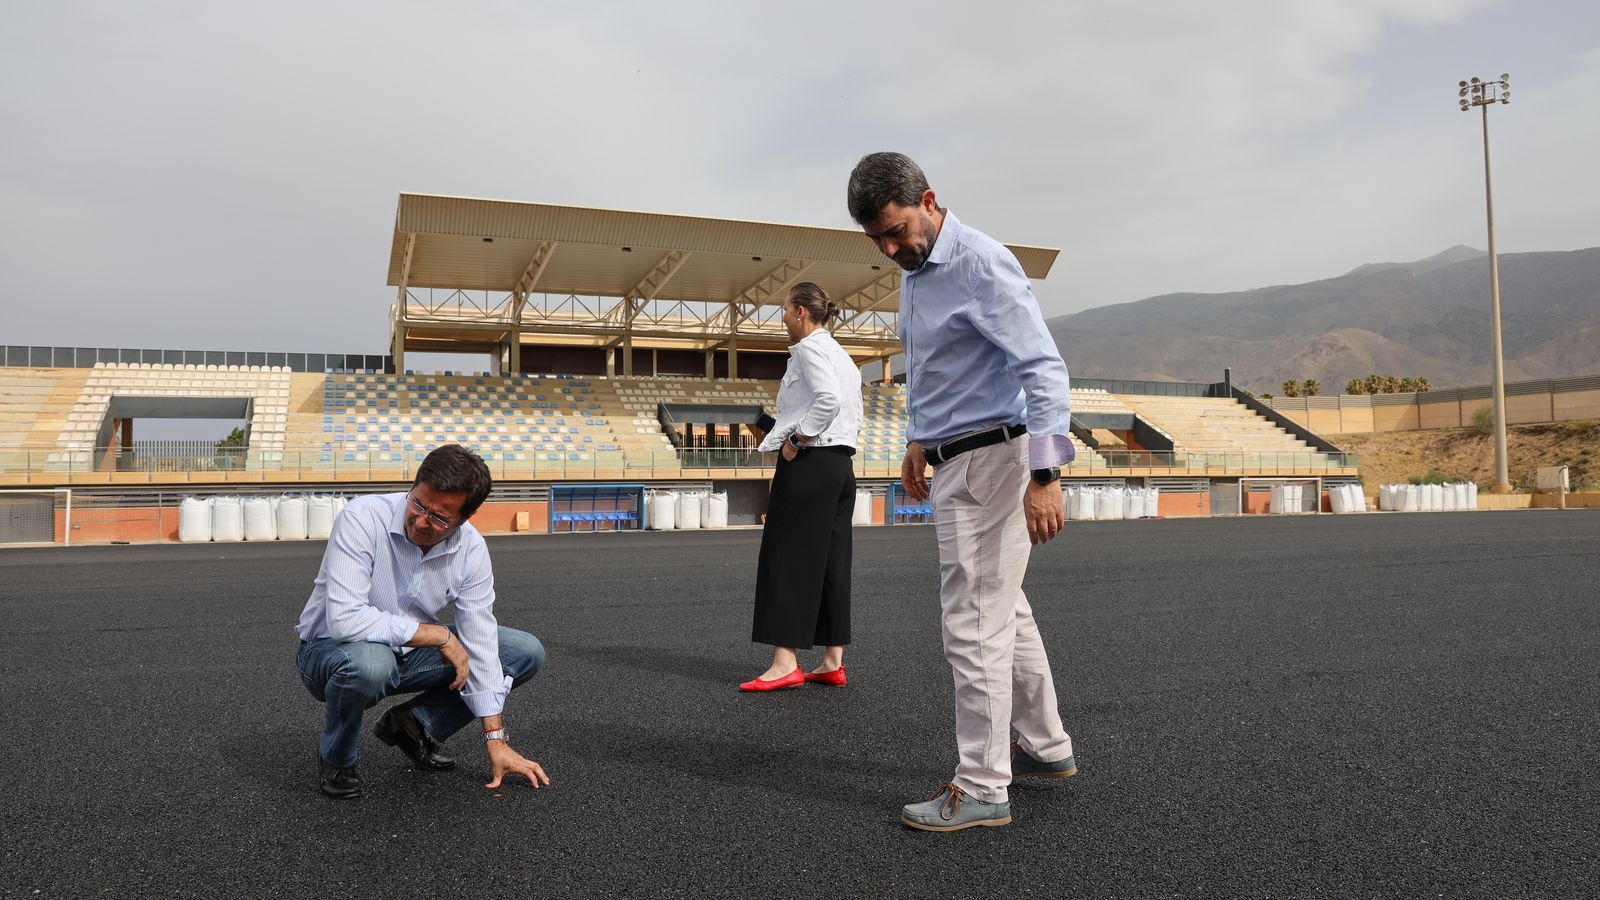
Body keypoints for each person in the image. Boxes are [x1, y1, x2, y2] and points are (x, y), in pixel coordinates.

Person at [847, 152, 1078, 831]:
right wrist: (920, 438)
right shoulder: (919, 274)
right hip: (958, 454)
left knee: (972, 624)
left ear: (928, 199)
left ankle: (981, 787)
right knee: (1005, 610)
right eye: (877, 241)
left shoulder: (978, 262)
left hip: (991, 463)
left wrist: (1046, 475)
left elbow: (1042, 369)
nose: (891, 249)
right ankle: (1044, 745)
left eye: (896, 231)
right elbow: (945, 369)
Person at [294, 443, 550, 798]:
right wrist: (440, 637)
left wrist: (496, 739)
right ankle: (337, 756)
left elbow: (481, 639)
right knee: (371, 663)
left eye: (441, 518)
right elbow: (344, 619)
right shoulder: (363, 517)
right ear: (413, 487)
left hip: (406, 652)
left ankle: (415, 726)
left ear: (465, 518)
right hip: (329, 652)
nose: (421, 521)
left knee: (523, 651)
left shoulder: (472, 550)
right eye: (418, 504)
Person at [740, 282, 864, 692]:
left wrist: (796, 440)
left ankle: (784, 663)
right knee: (832, 561)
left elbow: (825, 401)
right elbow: (838, 405)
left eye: (784, 310)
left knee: (785, 556)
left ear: (799, 313)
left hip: (810, 463)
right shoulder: (842, 355)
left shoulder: (809, 348)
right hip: (840, 466)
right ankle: (832, 661)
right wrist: (777, 432)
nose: (781, 318)